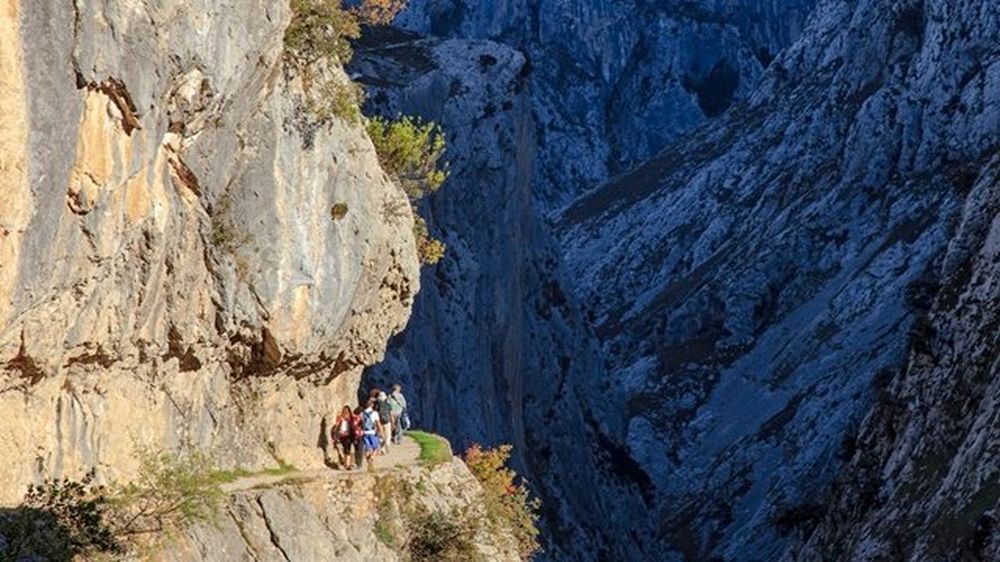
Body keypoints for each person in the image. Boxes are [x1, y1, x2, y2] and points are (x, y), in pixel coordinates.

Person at [332, 405, 356, 470]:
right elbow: (337, 425)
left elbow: (355, 423)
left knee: (347, 449)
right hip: (341, 435)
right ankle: (346, 463)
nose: (346, 412)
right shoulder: (340, 418)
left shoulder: (351, 418)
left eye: (347, 411)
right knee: (344, 449)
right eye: (345, 411)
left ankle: (347, 465)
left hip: (348, 435)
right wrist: (334, 432)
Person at [361, 399, 382, 470]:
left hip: (364, 432)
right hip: (372, 432)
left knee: (367, 448)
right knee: (376, 448)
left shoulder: (362, 413)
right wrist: (380, 432)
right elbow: (378, 423)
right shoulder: (374, 413)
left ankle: (369, 462)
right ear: (372, 405)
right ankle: (371, 458)